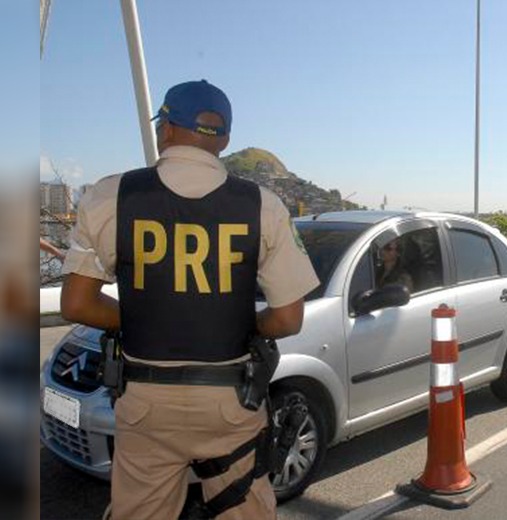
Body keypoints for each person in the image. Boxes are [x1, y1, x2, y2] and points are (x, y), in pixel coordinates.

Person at [60, 80, 319, 519]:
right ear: (225, 140)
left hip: (145, 401)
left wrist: (144, 316)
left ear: (165, 129)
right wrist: (246, 324)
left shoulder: (110, 196)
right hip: (231, 400)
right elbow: (288, 318)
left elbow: (77, 304)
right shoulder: (264, 205)